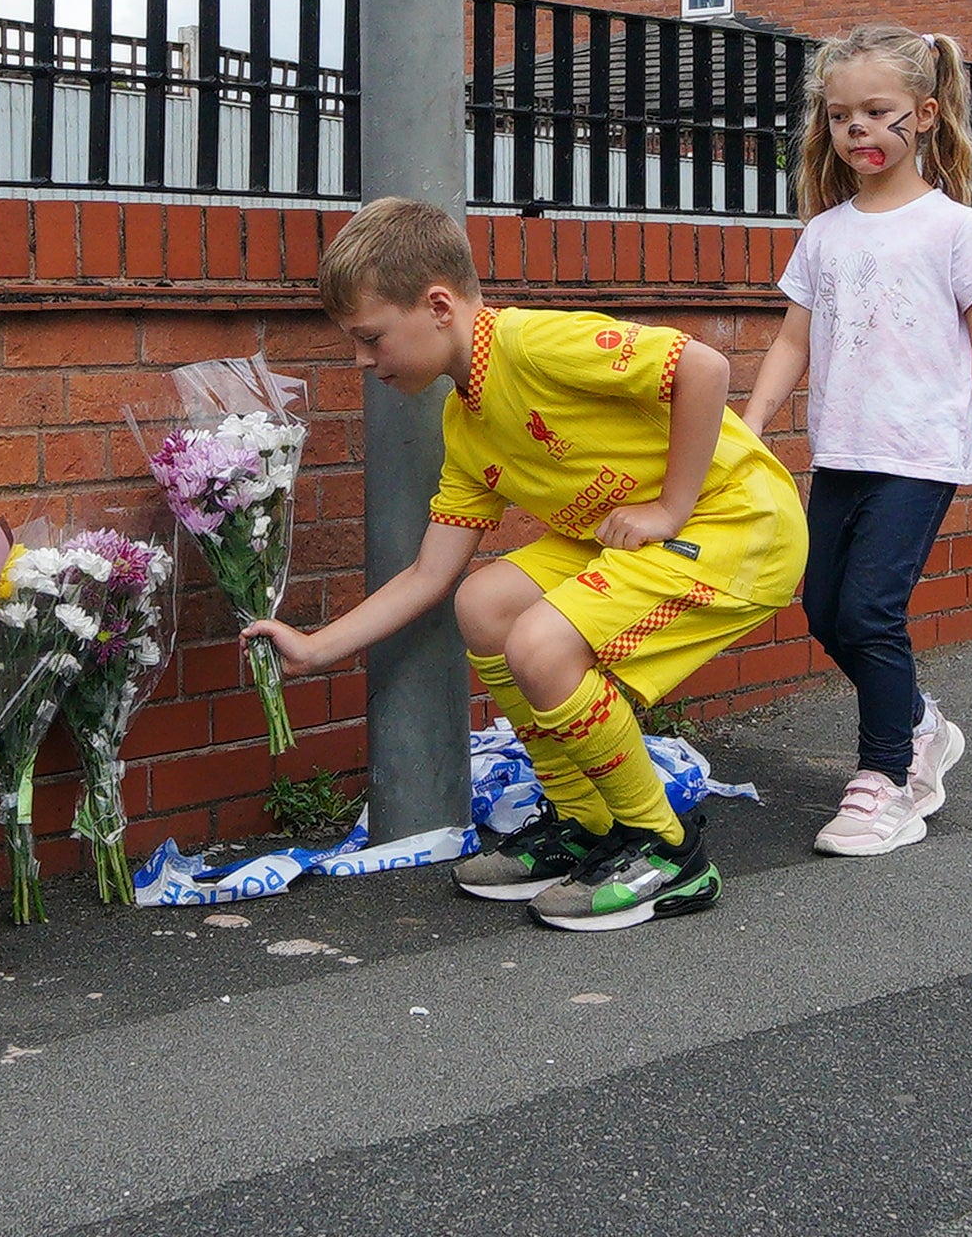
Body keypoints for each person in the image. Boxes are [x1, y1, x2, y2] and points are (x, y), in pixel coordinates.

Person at [244, 196, 806, 932]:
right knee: (485, 604)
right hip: (630, 535)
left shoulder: (534, 344)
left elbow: (701, 367)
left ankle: (666, 852)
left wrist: (670, 509)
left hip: (737, 525)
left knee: (542, 642)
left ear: (438, 305)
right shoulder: (465, 422)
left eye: (371, 338)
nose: (362, 360)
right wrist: (314, 649)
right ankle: (589, 828)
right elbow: (428, 575)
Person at [741, 23, 972, 858]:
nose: (857, 129)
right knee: (822, 608)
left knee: (871, 613)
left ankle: (888, 777)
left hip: (916, 454)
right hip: (841, 452)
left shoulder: (950, 228)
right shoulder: (825, 233)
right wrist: (747, 429)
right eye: (841, 115)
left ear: (921, 116)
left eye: (876, 112)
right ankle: (919, 721)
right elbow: (791, 343)